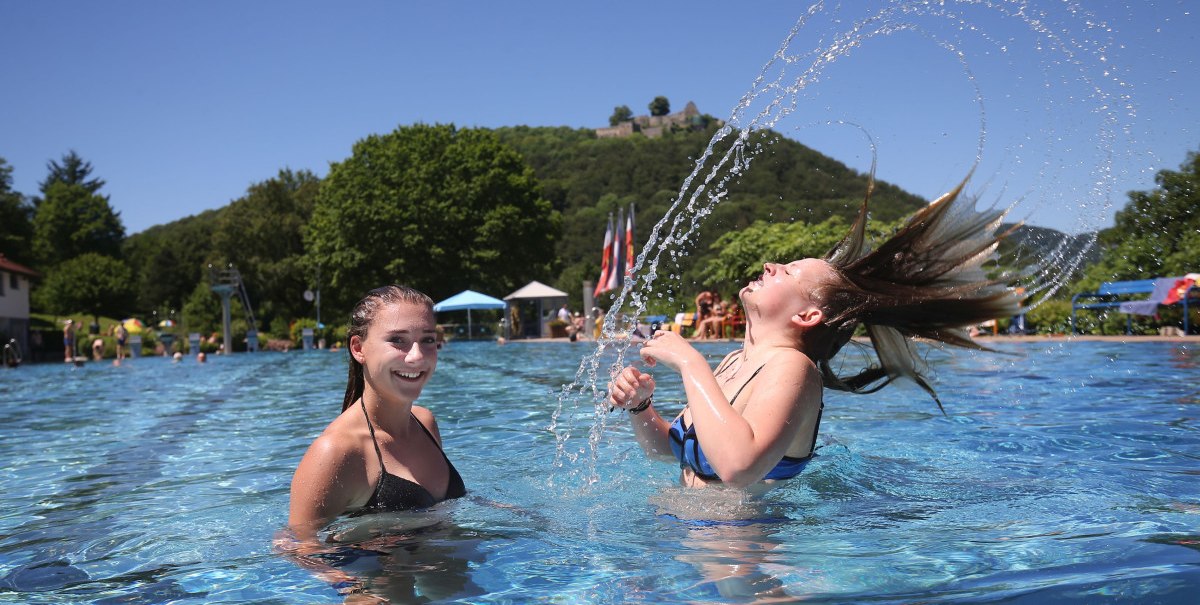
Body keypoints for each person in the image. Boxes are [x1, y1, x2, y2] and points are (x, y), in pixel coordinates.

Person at [608, 180, 1023, 488]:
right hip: (682, 538)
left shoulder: (794, 369)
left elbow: (738, 466)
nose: (771, 265)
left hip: (738, 557)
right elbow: (669, 450)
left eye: (789, 272)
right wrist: (641, 408)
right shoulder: (737, 362)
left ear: (807, 315)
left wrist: (690, 362)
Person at [289, 285, 465, 537]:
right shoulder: (338, 451)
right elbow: (297, 545)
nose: (416, 357)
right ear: (358, 348)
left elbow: (443, 509)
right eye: (397, 340)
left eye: (427, 339)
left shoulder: (424, 422)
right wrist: (340, 575)